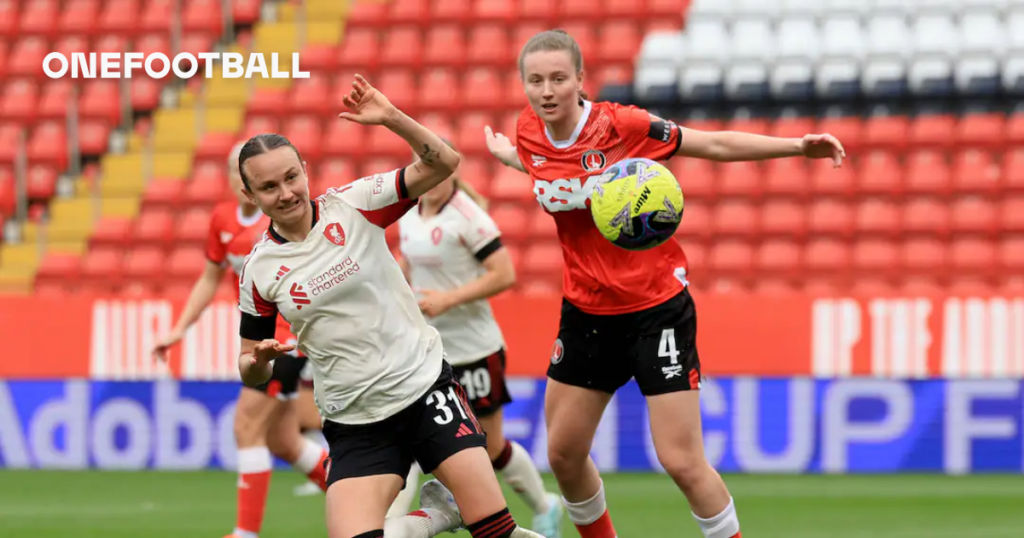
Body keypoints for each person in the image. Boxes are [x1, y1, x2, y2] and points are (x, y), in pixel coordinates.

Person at [483, 30, 847, 538]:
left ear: (580, 80)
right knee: (564, 456)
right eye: (535, 80)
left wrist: (795, 147)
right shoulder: (528, 132)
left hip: (656, 311)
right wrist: (510, 159)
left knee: (681, 460)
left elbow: (712, 142)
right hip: (586, 313)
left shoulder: (623, 124)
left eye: (559, 79)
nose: (547, 91)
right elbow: (548, 170)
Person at [235, 74, 548, 538]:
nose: (285, 193)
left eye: (290, 177)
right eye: (267, 187)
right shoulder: (259, 271)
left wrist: (392, 118)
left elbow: (443, 162)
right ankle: (437, 516)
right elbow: (248, 366)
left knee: (496, 532)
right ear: (250, 195)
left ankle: (452, 514)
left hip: (424, 391)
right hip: (354, 421)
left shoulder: (355, 204)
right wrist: (257, 362)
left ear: (304, 168)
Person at [151, 142, 332, 538]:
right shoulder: (221, 219)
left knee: (245, 426)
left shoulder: (280, 221)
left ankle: (245, 534)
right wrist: (180, 328)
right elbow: (210, 277)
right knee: (284, 442)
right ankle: (363, 497)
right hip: (259, 338)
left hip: (286, 338)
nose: (241, 181)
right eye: (237, 174)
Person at [396, 140, 564, 538]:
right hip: (431, 350)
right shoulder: (408, 214)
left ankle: (545, 505)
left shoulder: (469, 217)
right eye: (423, 163)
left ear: (451, 170)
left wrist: (448, 299)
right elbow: (409, 261)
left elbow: (504, 274)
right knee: (414, 443)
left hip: (475, 348)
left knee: (489, 447)